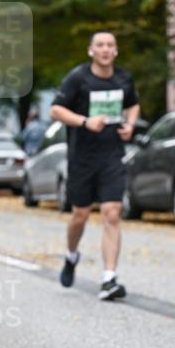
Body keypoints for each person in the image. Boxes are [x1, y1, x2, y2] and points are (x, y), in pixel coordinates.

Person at [50, 31, 140, 301]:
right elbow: (55, 110)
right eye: (100, 45)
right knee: (80, 214)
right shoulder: (78, 78)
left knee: (112, 213)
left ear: (116, 50)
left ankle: (109, 278)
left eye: (110, 45)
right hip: (82, 158)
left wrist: (130, 125)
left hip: (112, 155)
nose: (105, 49)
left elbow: (133, 105)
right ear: (91, 51)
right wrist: (84, 121)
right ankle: (71, 255)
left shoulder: (124, 78)